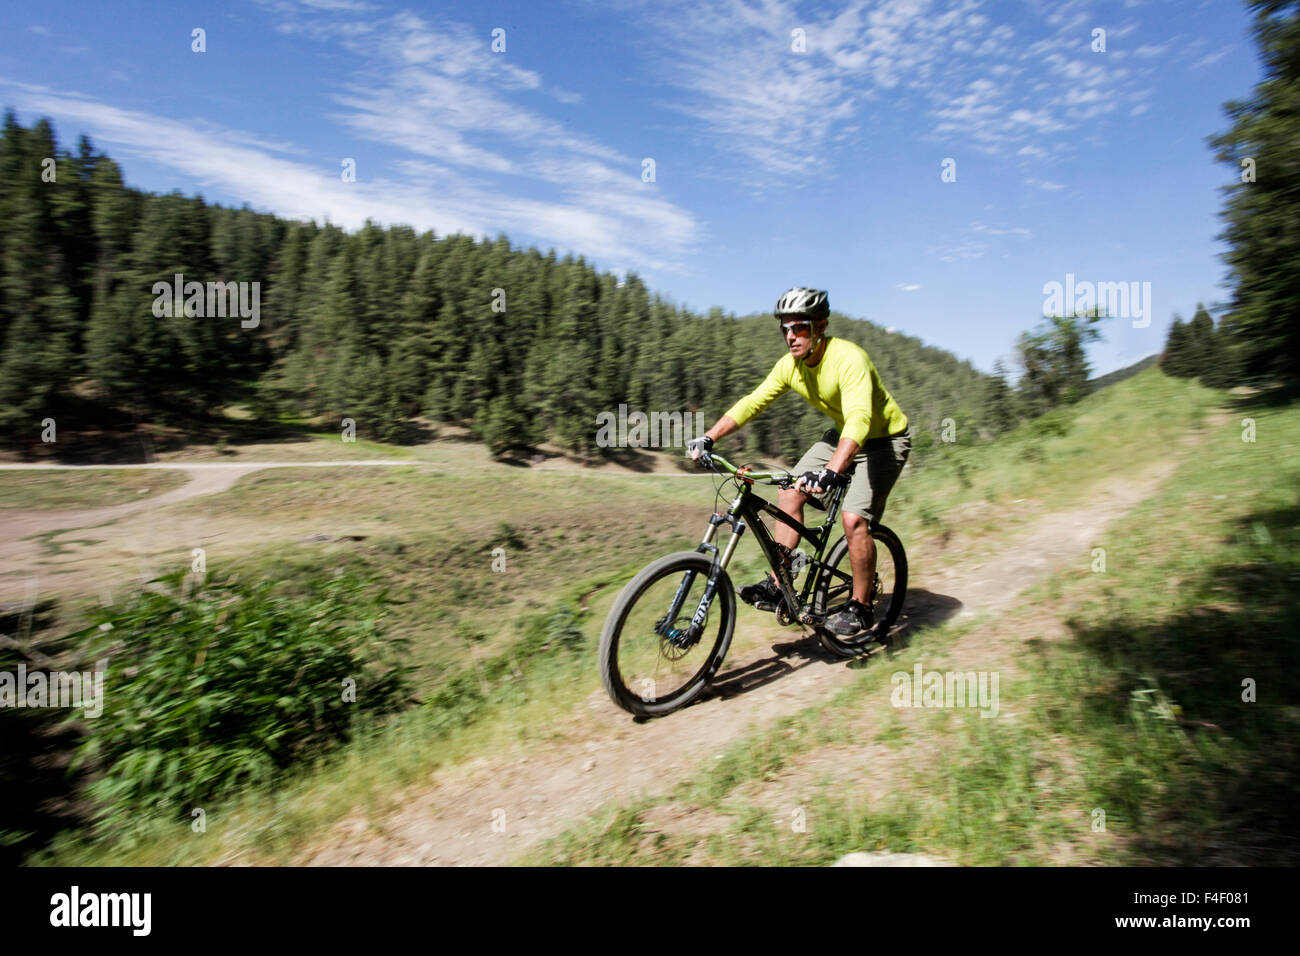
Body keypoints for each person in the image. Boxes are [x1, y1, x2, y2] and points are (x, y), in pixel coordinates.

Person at [687, 287, 910, 637]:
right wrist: (709, 437)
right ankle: (781, 583)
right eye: (785, 329)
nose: (791, 336)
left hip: (884, 441)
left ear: (820, 326)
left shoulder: (849, 359)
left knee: (854, 520)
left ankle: (862, 606)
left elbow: (860, 420)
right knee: (789, 491)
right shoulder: (790, 366)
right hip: (842, 434)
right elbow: (752, 402)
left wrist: (832, 471)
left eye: (800, 327)